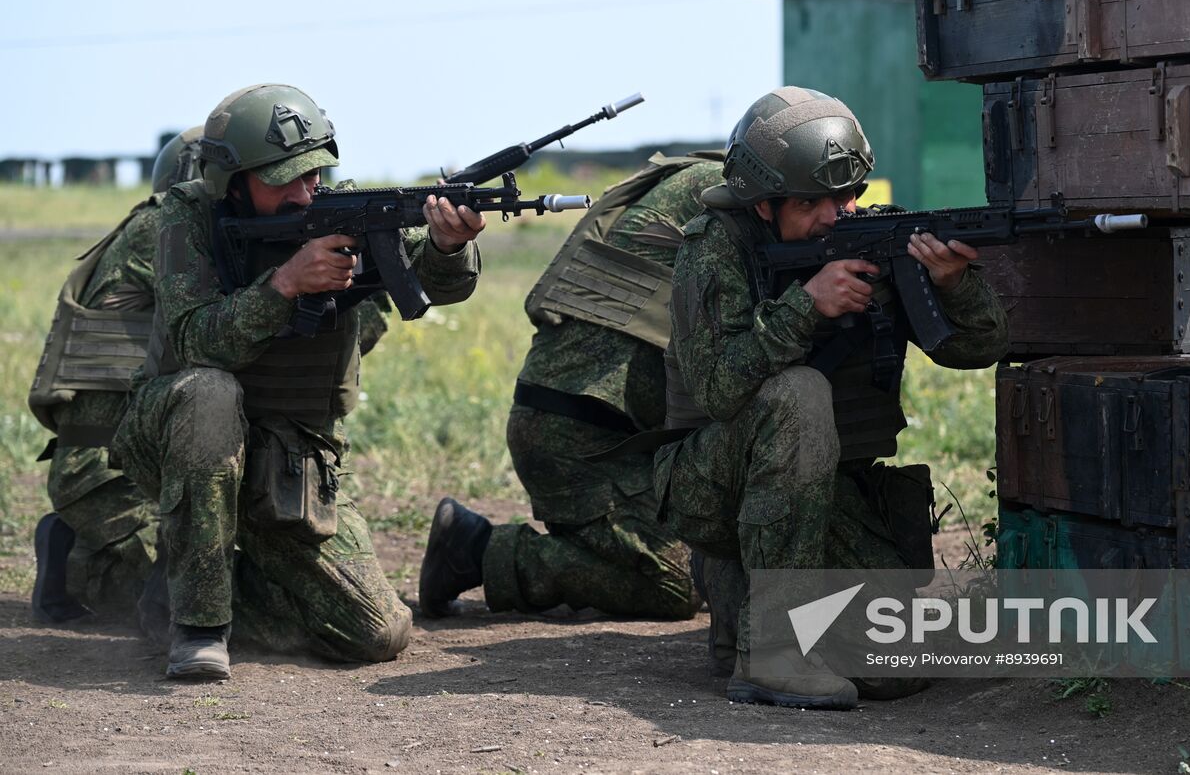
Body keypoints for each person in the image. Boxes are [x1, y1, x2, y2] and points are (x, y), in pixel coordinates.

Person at [109, 84, 484, 680]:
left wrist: (446, 245)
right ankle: (198, 626)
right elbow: (196, 342)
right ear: (232, 182)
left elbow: (439, 285)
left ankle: (189, 589)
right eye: (282, 179)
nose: (304, 192)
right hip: (179, 436)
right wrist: (284, 284)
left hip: (291, 459)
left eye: (312, 174)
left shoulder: (346, 209)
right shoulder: (189, 217)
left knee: (376, 632)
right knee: (210, 392)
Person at [654, 87, 1009, 709]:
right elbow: (717, 390)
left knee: (898, 666)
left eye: (848, 196)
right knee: (798, 390)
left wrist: (953, 285)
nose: (835, 216)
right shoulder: (714, 248)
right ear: (763, 205)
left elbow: (977, 350)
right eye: (810, 203)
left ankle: (739, 594)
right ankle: (770, 652)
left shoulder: (877, 238)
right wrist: (806, 306)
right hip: (713, 482)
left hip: (825, 491)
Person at [418, 152, 724, 620]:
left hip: (610, 428)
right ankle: (473, 550)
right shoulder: (727, 198)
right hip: (579, 437)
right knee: (674, 582)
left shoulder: (717, 183)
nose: (834, 213)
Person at [28, 125, 202, 625]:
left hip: (115, 465)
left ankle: (76, 545)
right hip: (106, 474)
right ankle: (76, 562)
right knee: (195, 600)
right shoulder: (169, 228)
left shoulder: (155, 222)